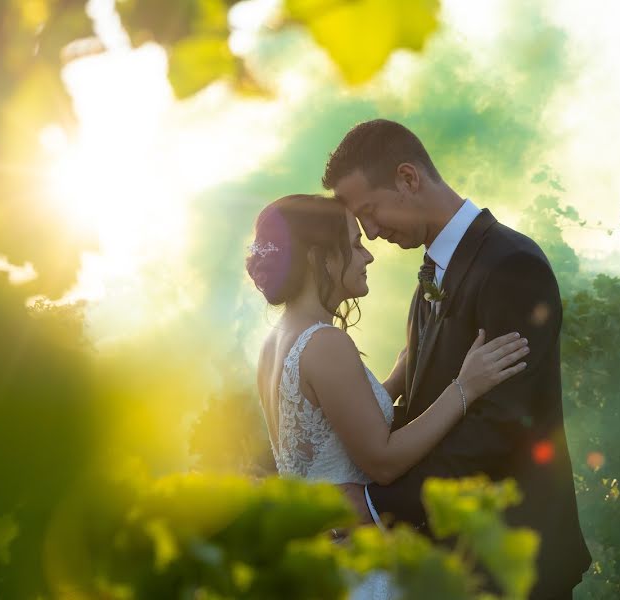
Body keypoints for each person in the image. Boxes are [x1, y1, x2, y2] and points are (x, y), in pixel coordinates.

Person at [322, 119, 592, 599]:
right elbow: (428, 400)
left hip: (511, 558)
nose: (371, 232)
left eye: (369, 211)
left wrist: (376, 502)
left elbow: (499, 426)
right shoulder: (433, 268)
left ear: (408, 178)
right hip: (455, 553)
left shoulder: (511, 265)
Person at [246, 193, 528, 599]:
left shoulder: (278, 339)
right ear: (317, 256)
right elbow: (382, 460)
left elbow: (328, 422)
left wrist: (394, 380)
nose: (368, 256)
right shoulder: (326, 343)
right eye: (355, 243)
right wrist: (465, 387)